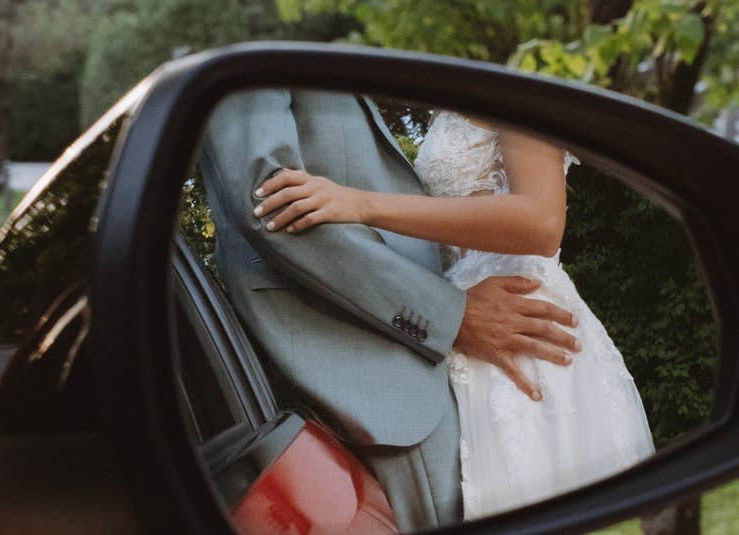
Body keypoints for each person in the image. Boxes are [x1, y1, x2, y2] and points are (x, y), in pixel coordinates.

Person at [199, 90, 580, 531]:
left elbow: (541, 220)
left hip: (506, 331)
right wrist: (451, 315)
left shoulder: (506, 82)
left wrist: (448, 311)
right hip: (384, 355)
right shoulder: (259, 57)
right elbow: (271, 203)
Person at [252, 109, 656, 519]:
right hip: (470, 321)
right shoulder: (452, 102)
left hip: (520, 319)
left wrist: (361, 205)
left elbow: (542, 221)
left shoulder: (511, 84)